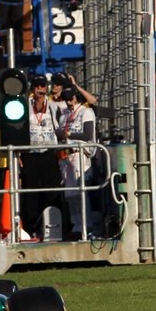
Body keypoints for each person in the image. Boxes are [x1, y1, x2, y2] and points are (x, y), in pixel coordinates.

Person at [18, 74, 60, 242]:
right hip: (30, 155)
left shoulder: (54, 106)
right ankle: (30, 228)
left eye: (42, 86)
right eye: (36, 86)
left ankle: (54, 226)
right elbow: (18, 129)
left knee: (52, 191)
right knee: (30, 193)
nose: (39, 89)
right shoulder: (23, 106)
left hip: (49, 153)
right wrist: (18, 154)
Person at [56, 86, 97, 241]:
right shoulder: (64, 115)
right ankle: (76, 224)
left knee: (81, 192)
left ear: (76, 97)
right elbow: (59, 133)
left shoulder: (86, 112)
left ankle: (87, 225)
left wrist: (69, 134)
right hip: (66, 155)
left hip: (81, 153)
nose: (68, 101)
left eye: (70, 97)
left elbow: (88, 134)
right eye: (66, 98)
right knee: (70, 194)